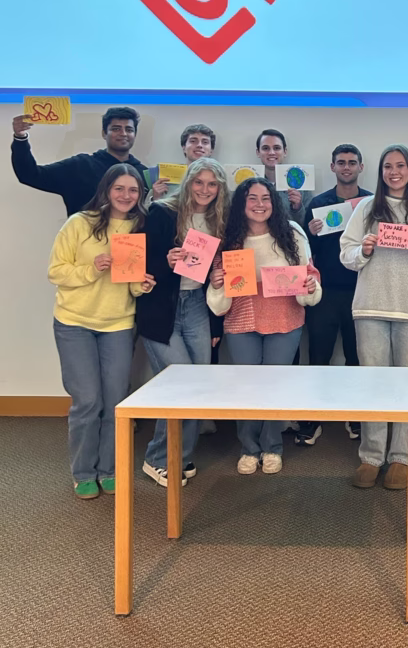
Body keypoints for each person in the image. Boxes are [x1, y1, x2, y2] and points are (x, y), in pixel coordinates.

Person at [340, 145, 408, 490]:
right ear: (380, 171)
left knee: (407, 386)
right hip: (370, 306)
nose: (394, 172)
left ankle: (402, 456)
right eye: (388, 166)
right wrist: (364, 250)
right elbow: (346, 253)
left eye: (400, 165)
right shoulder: (367, 208)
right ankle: (371, 456)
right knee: (372, 383)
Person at [47, 165, 155, 498]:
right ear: (106, 190)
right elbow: (55, 271)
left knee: (115, 402)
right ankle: (83, 472)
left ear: (141, 194)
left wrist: (142, 285)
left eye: (133, 190)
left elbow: (131, 284)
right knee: (87, 401)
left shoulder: (141, 227)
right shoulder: (79, 223)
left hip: (118, 324)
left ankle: (109, 469)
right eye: (119, 188)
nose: (126, 196)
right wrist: (91, 269)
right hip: (74, 322)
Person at [207, 177, 321, 475]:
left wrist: (310, 283)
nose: (260, 204)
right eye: (252, 198)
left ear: (275, 202)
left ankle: (272, 446)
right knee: (246, 386)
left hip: (285, 320)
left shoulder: (292, 233)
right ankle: (249, 447)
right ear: (241, 204)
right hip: (242, 320)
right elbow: (219, 296)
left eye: (266, 198)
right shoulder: (229, 238)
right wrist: (217, 284)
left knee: (275, 385)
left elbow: (310, 275)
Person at [136, 159, 230, 487]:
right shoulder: (162, 213)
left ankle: (182, 454)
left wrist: (216, 326)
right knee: (180, 385)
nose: (205, 190)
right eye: (198, 182)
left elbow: (218, 276)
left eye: (212, 184)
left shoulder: (220, 220)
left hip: (197, 308)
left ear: (220, 189)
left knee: (198, 385)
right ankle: (157, 458)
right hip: (161, 308)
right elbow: (137, 266)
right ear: (188, 182)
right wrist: (165, 262)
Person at [298, 144, 373, 445]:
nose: (346, 167)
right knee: (319, 355)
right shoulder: (318, 204)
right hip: (325, 293)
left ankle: (355, 416)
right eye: (340, 163)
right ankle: (313, 417)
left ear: (360, 167)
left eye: (352, 163)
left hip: (362, 290)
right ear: (332, 167)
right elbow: (304, 253)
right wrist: (312, 233)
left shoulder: (370, 202)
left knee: (357, 357)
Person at [11, 106, 149, 215]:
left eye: (129, 129)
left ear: (134, 135)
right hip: (83, 246)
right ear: (104, 133)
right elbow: (30, 175)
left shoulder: (144, 174)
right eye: (116, 129)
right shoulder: (80, 166)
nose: (123, 134)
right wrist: (20, 138)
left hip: (131, 248)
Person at [256, 128, 313, 225]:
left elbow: (308, 226)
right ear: (258, 152)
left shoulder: (302, 187)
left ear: (285, 151)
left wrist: (297, 208)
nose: (271, 152)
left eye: (277, 148)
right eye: (265, 148)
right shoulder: (249, 186)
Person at [151, 124, 216, 200]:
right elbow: (145, 209)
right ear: (184, 147)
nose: (199, 145)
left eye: (205, 142)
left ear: (211, 150)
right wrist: (156, 198)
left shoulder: (218, 178)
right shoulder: (163, 176)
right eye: (193, 141)